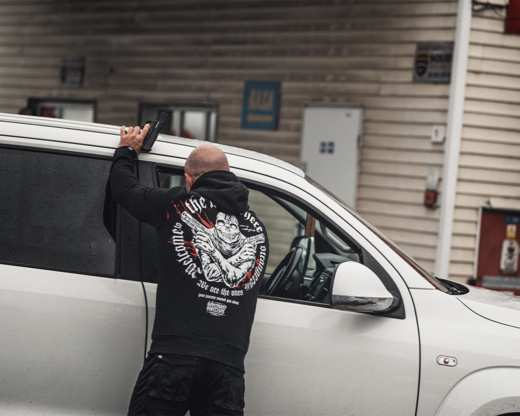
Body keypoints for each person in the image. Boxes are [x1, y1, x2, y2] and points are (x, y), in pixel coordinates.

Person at [110, 124, 269, 416]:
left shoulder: (176, 204)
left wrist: (126, 151)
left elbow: (124, 189)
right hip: (228, 369)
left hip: (175, 357)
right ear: (229, 174)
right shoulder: (257, 229)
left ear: (188, 179)